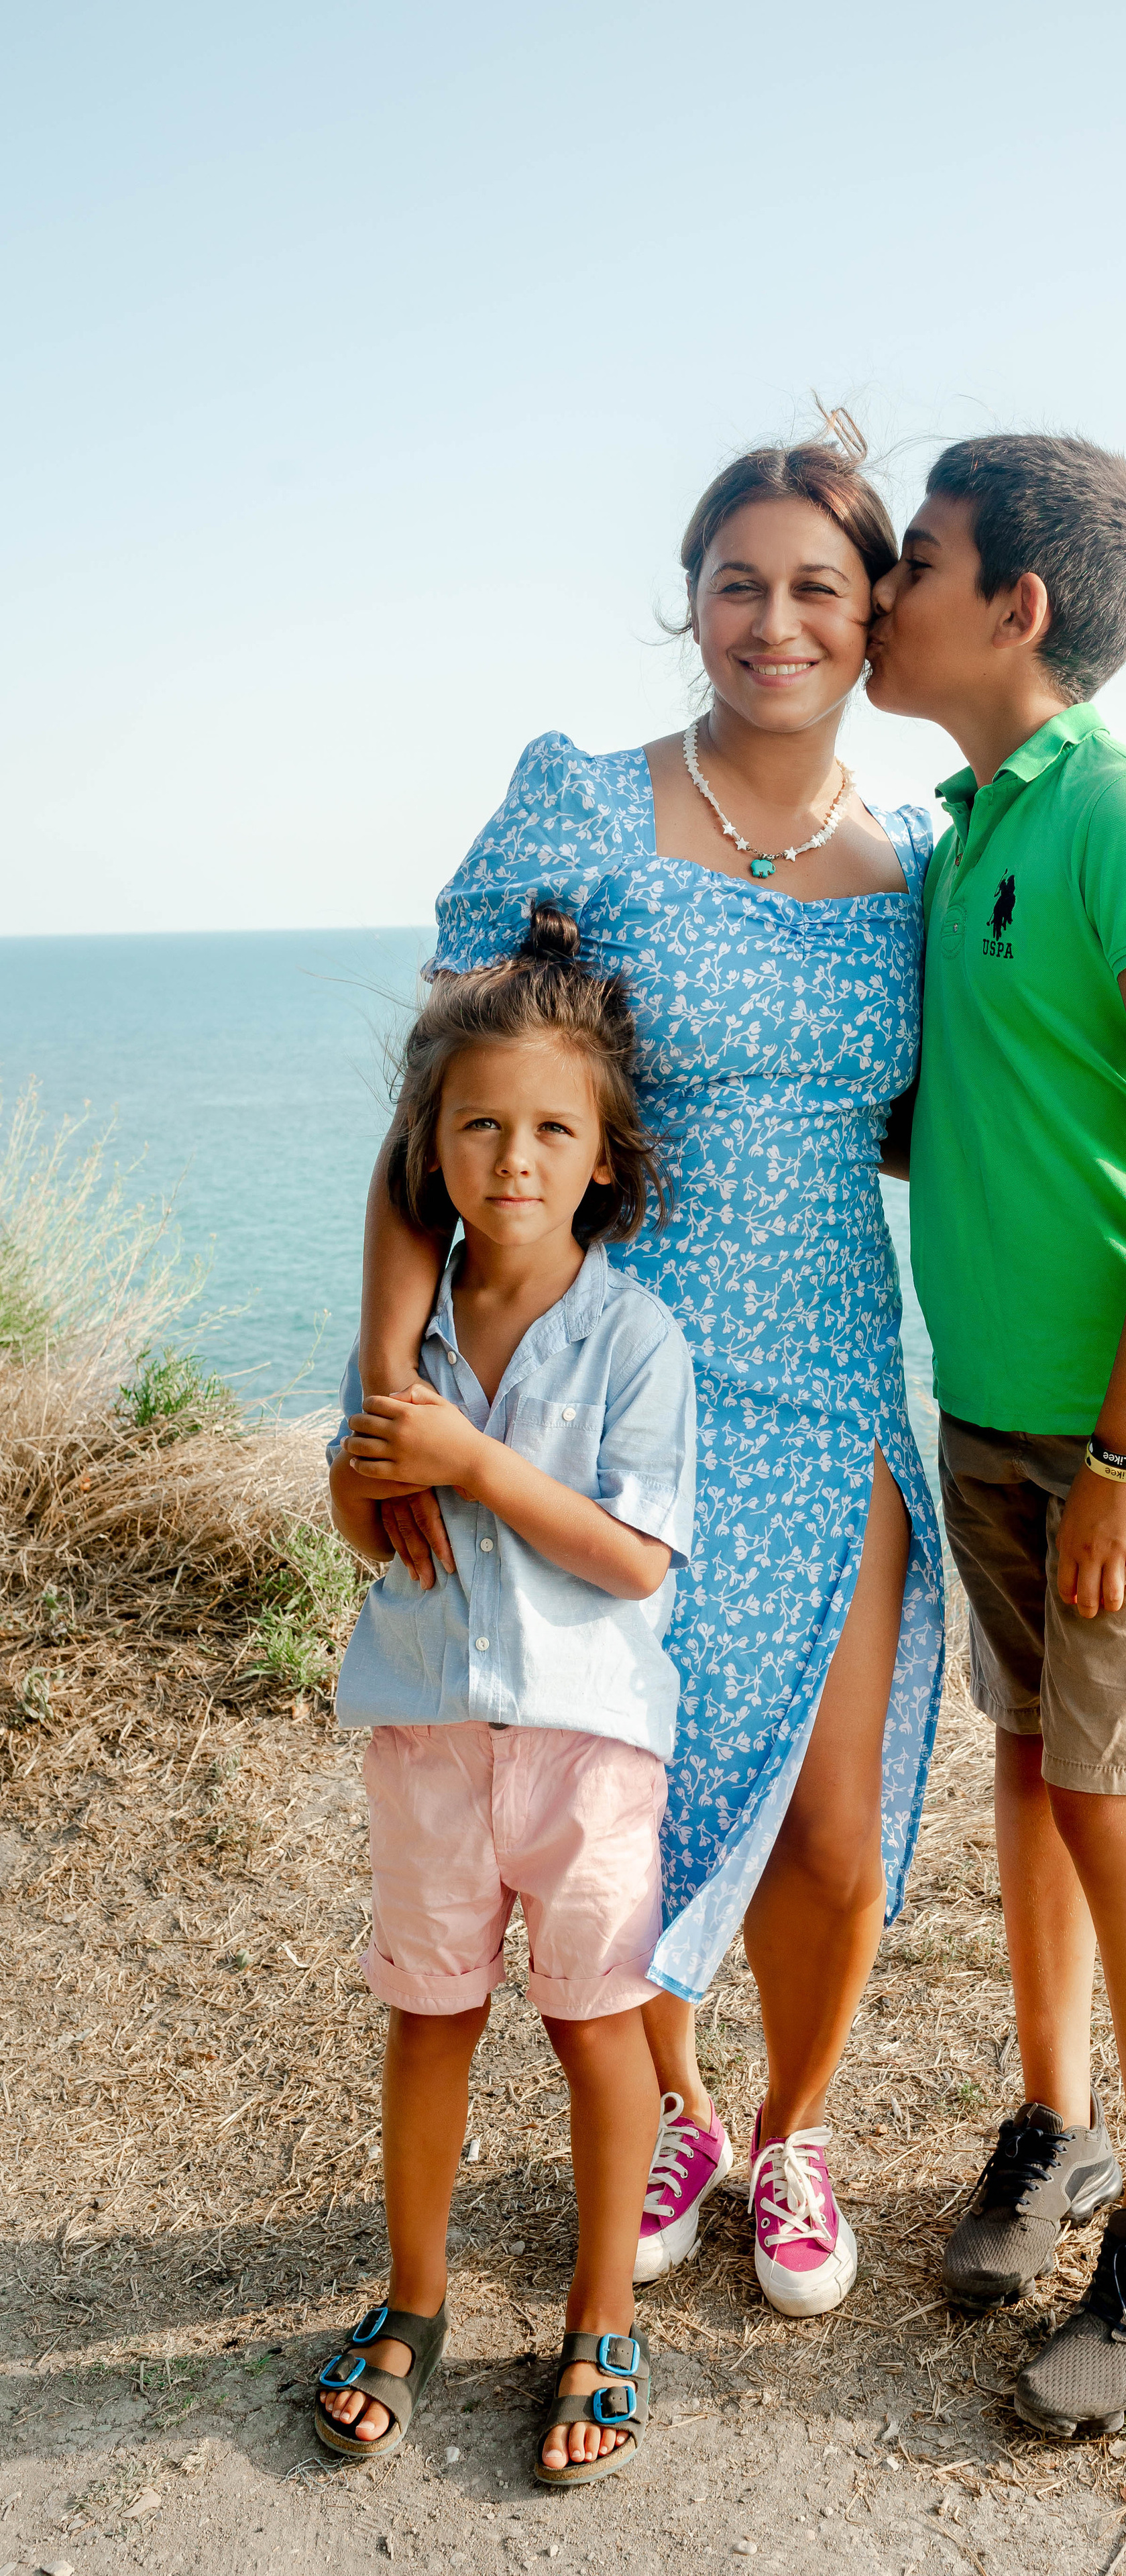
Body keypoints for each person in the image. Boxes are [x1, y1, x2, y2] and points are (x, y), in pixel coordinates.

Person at [357, 431, 944, 2320]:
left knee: (834, 1825)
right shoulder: (579, 811)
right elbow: (436, 1122)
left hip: (835, 1379)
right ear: (690, 600)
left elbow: (966, 1127)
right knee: (647, 1798)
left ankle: (796, 2134)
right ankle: (677, 2110)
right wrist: (387, 1398)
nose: (775, 622)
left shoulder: (926, 864)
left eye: (819, 589)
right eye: (739, 583)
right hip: (606, 1389)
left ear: (875, 619)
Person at [866, 433, 1126, 2434]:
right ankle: (1056, 2123)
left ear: (1015, 605)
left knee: (1116, 1795)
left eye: (917, 558)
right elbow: (962, 1110)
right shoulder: (959, 837)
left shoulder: (1124, 814)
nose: (882, 590)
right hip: (997, 1398)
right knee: (1030, 1769)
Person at [315, 905, 696, 2486]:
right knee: (429, 2015)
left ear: (605, 1155)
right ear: (431, 1143)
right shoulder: (402, 1337)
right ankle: (413, 2299)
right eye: (479, 1124)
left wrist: (473, 1463)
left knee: (597, 2029)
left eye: (552, 1127)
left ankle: (600, 2316)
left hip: (587, 1749)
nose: (513, 1156)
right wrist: (371, 1477)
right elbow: (358, 1508)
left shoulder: (635, 1337)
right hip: (423, 1729)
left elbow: (634, 1562)